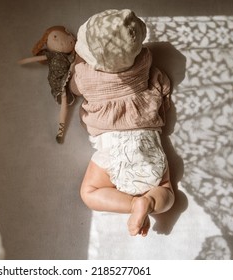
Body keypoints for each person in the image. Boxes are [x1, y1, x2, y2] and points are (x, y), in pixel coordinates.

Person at [69, 9, 175, 237]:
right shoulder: (144, 61)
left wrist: (77, 63)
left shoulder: (84, 76)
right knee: (166, 191)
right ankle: (149, 202)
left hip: (113, 147)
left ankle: (131, 204)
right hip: (147, 141)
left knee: (90, 192)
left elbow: (73, 89)